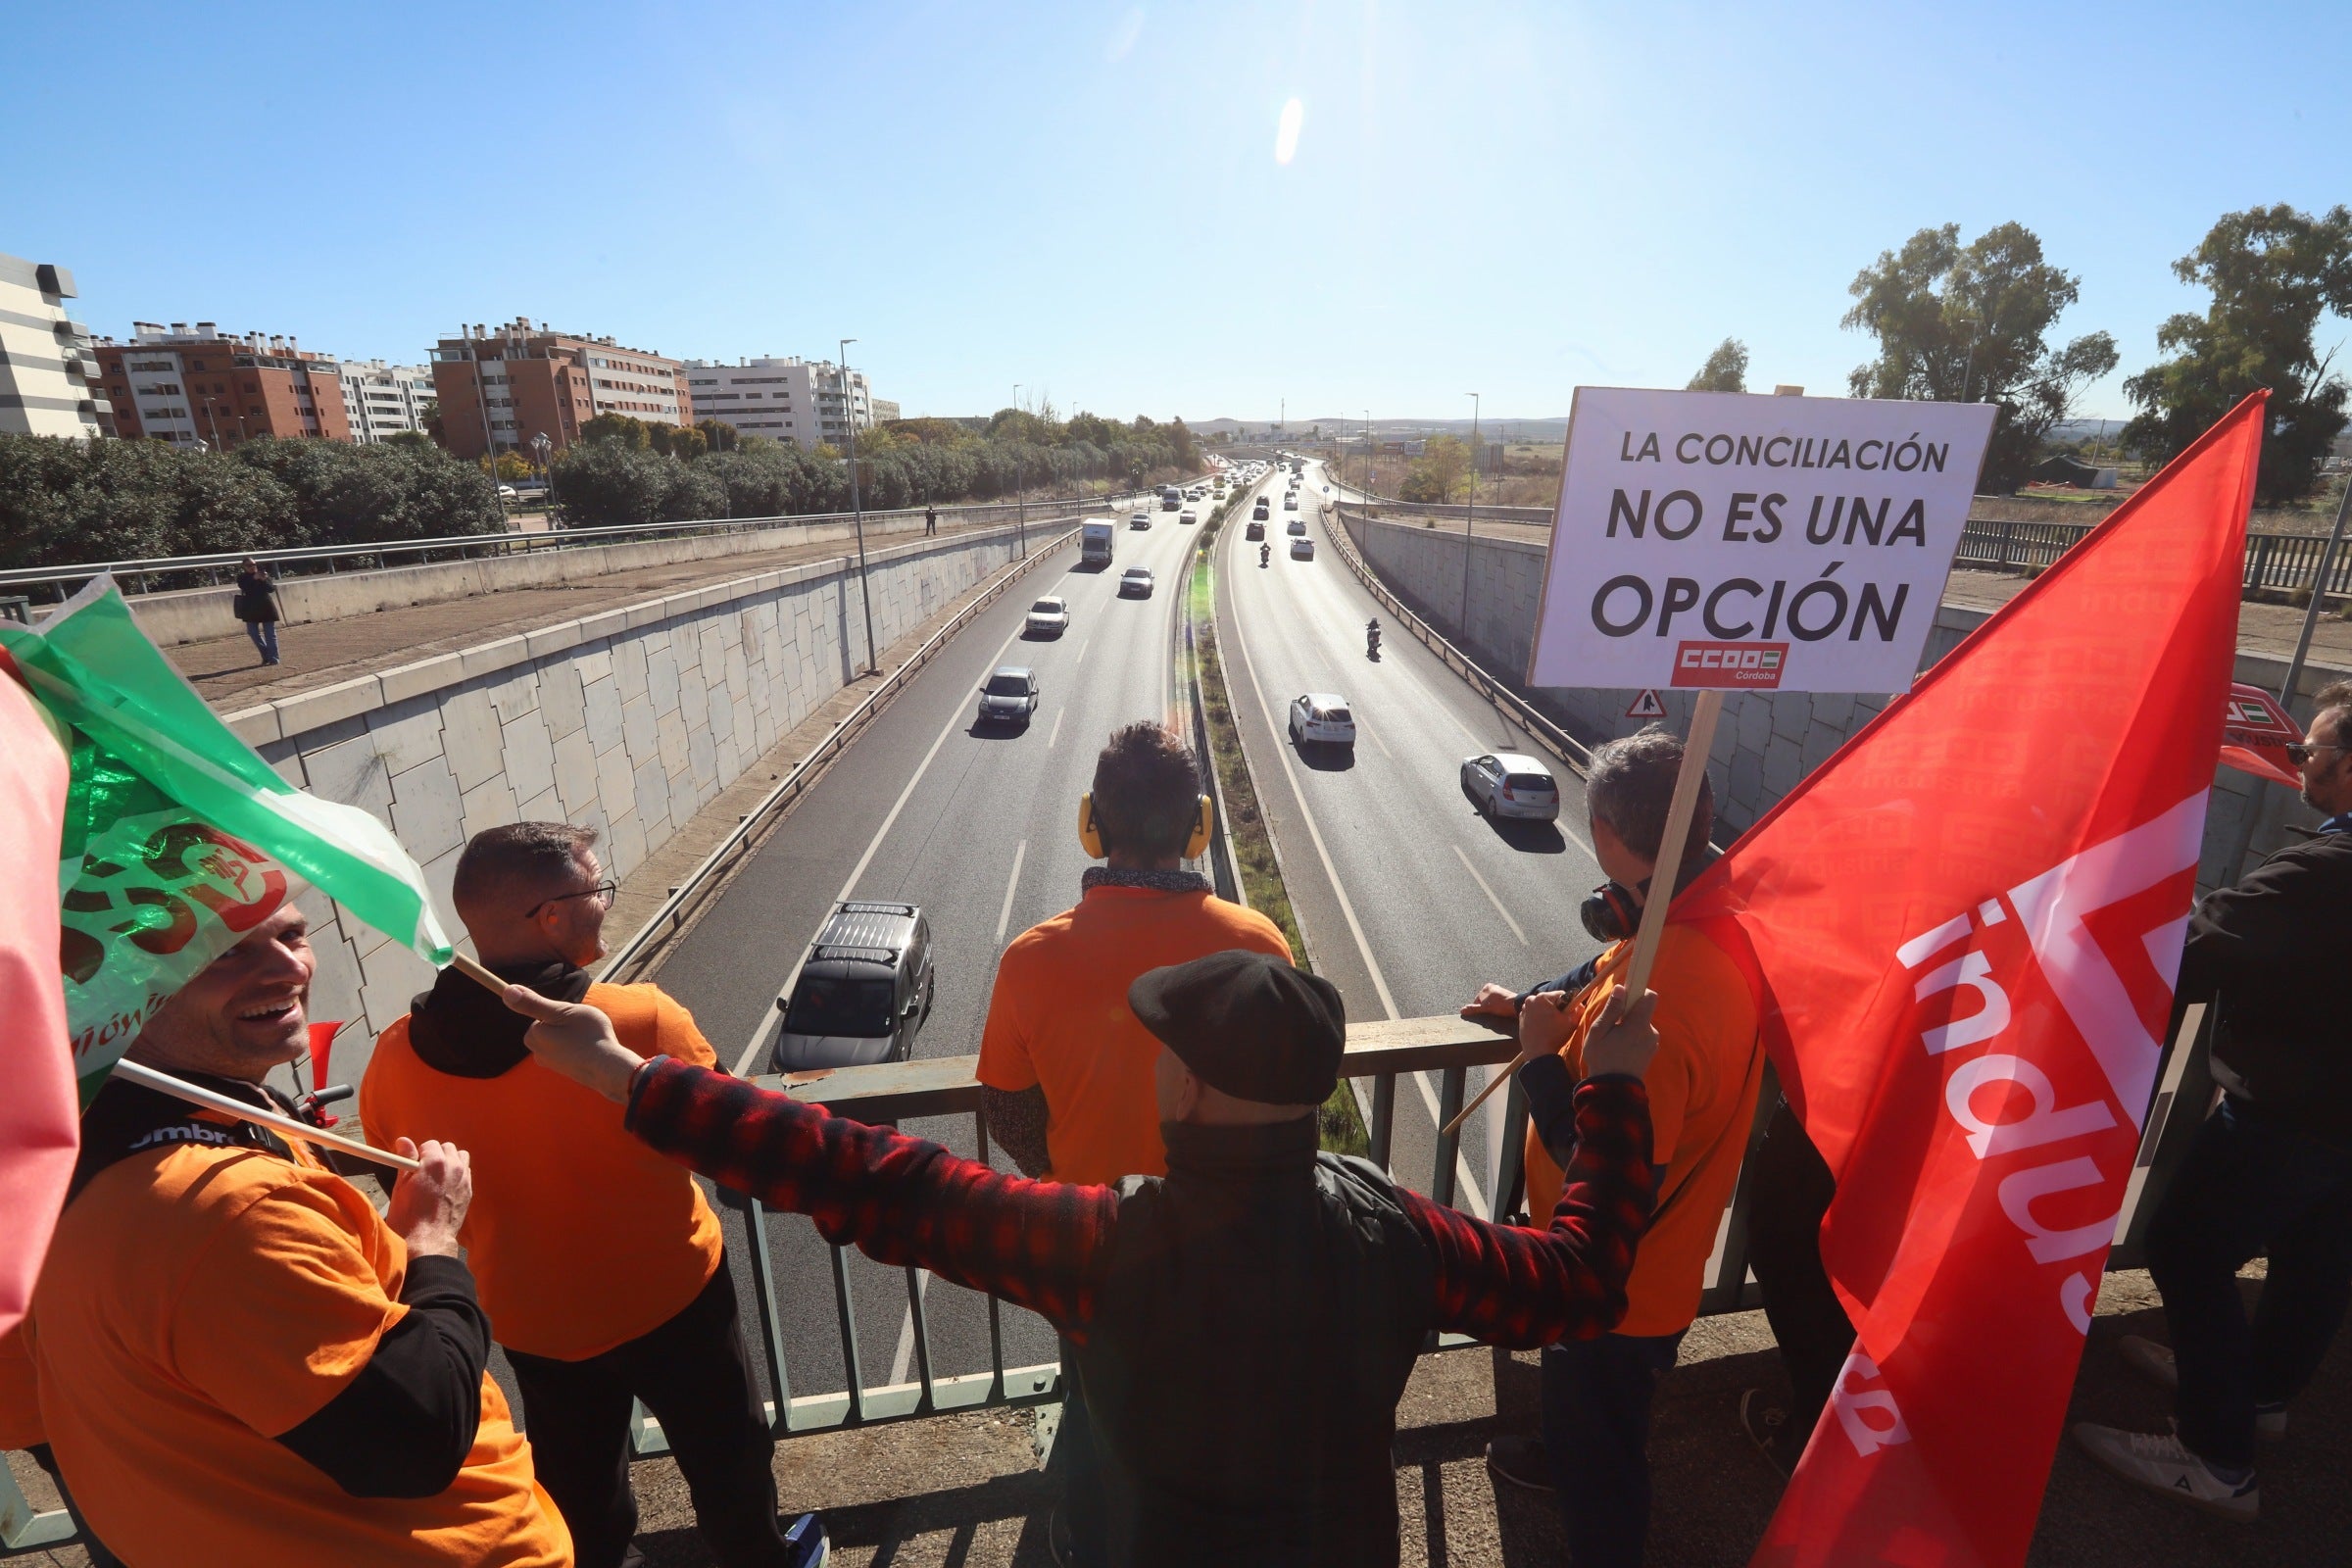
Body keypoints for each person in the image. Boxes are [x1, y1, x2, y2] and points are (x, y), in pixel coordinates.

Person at [500, 948, 1664, 1567]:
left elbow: (870, 1178)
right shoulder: (1401, 1228)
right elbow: (1583, 1278)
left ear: (1195, 1085)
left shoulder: (1108, 1246)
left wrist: (631, 1080)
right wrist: (1607, 1087)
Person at [22, 903, 571, 1567]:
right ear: (124, 982)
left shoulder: (83, 1138)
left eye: (290, 934)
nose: (289, 967)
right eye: (226, 951)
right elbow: (420, 1439)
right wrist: (431, 1243)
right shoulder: (225, 1208)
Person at [363, 823, 810, 1568]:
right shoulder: (638, 1021)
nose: (608, 900)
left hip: (533, 1321)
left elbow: (410, 1193)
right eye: (597, 889)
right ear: (551, 917)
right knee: (728, 1459)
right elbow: (732, 1144)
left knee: (581, 1491)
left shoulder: (394, 1055)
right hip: (674, 1300)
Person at [977, 721, 1289, 1561]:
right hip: (1228, 1241)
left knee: (1093, 1405)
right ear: (1198, 829)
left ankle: (1089, 1537)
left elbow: (1004, 1106)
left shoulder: (1030, 960)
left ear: (1092, 823)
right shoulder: (1259, 945)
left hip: (1093, 1239)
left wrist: (1054, 1171)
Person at [1462, 726, 1763, 1568]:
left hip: (1613, 1290)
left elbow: (1611, 1172)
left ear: (1604, 836)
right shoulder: (1708, 926)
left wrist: (1539, 1064)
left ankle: (1596, 1517)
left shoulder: (1653, 1012)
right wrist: (1533, 1001)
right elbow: (1603, 962)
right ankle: (1564, 1454)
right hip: (1658, 1274)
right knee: (1590, 1414)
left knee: (1608, 1456)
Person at [2074, 681, 2352, 1522]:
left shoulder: (2321, 873)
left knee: (2188, 1249)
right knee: (2316, 1261)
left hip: (2290, 1113)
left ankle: (2216, 1455)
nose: (2299, 762)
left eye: (2310, 753)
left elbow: (2193, 951)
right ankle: (2258, 1394)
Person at [235, 556, 281, 665]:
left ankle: (274, 658)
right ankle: (266, 655)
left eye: (254, 565)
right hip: (251, 609)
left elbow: (271, 589)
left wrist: (264, 580)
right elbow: (244, 587)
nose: (252, 567)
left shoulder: (263, 575)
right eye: (249, 565)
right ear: (244, 567)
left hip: (266, 607)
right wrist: (253, 578)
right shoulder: (242, 577)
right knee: (253, 633)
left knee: (270, 634)